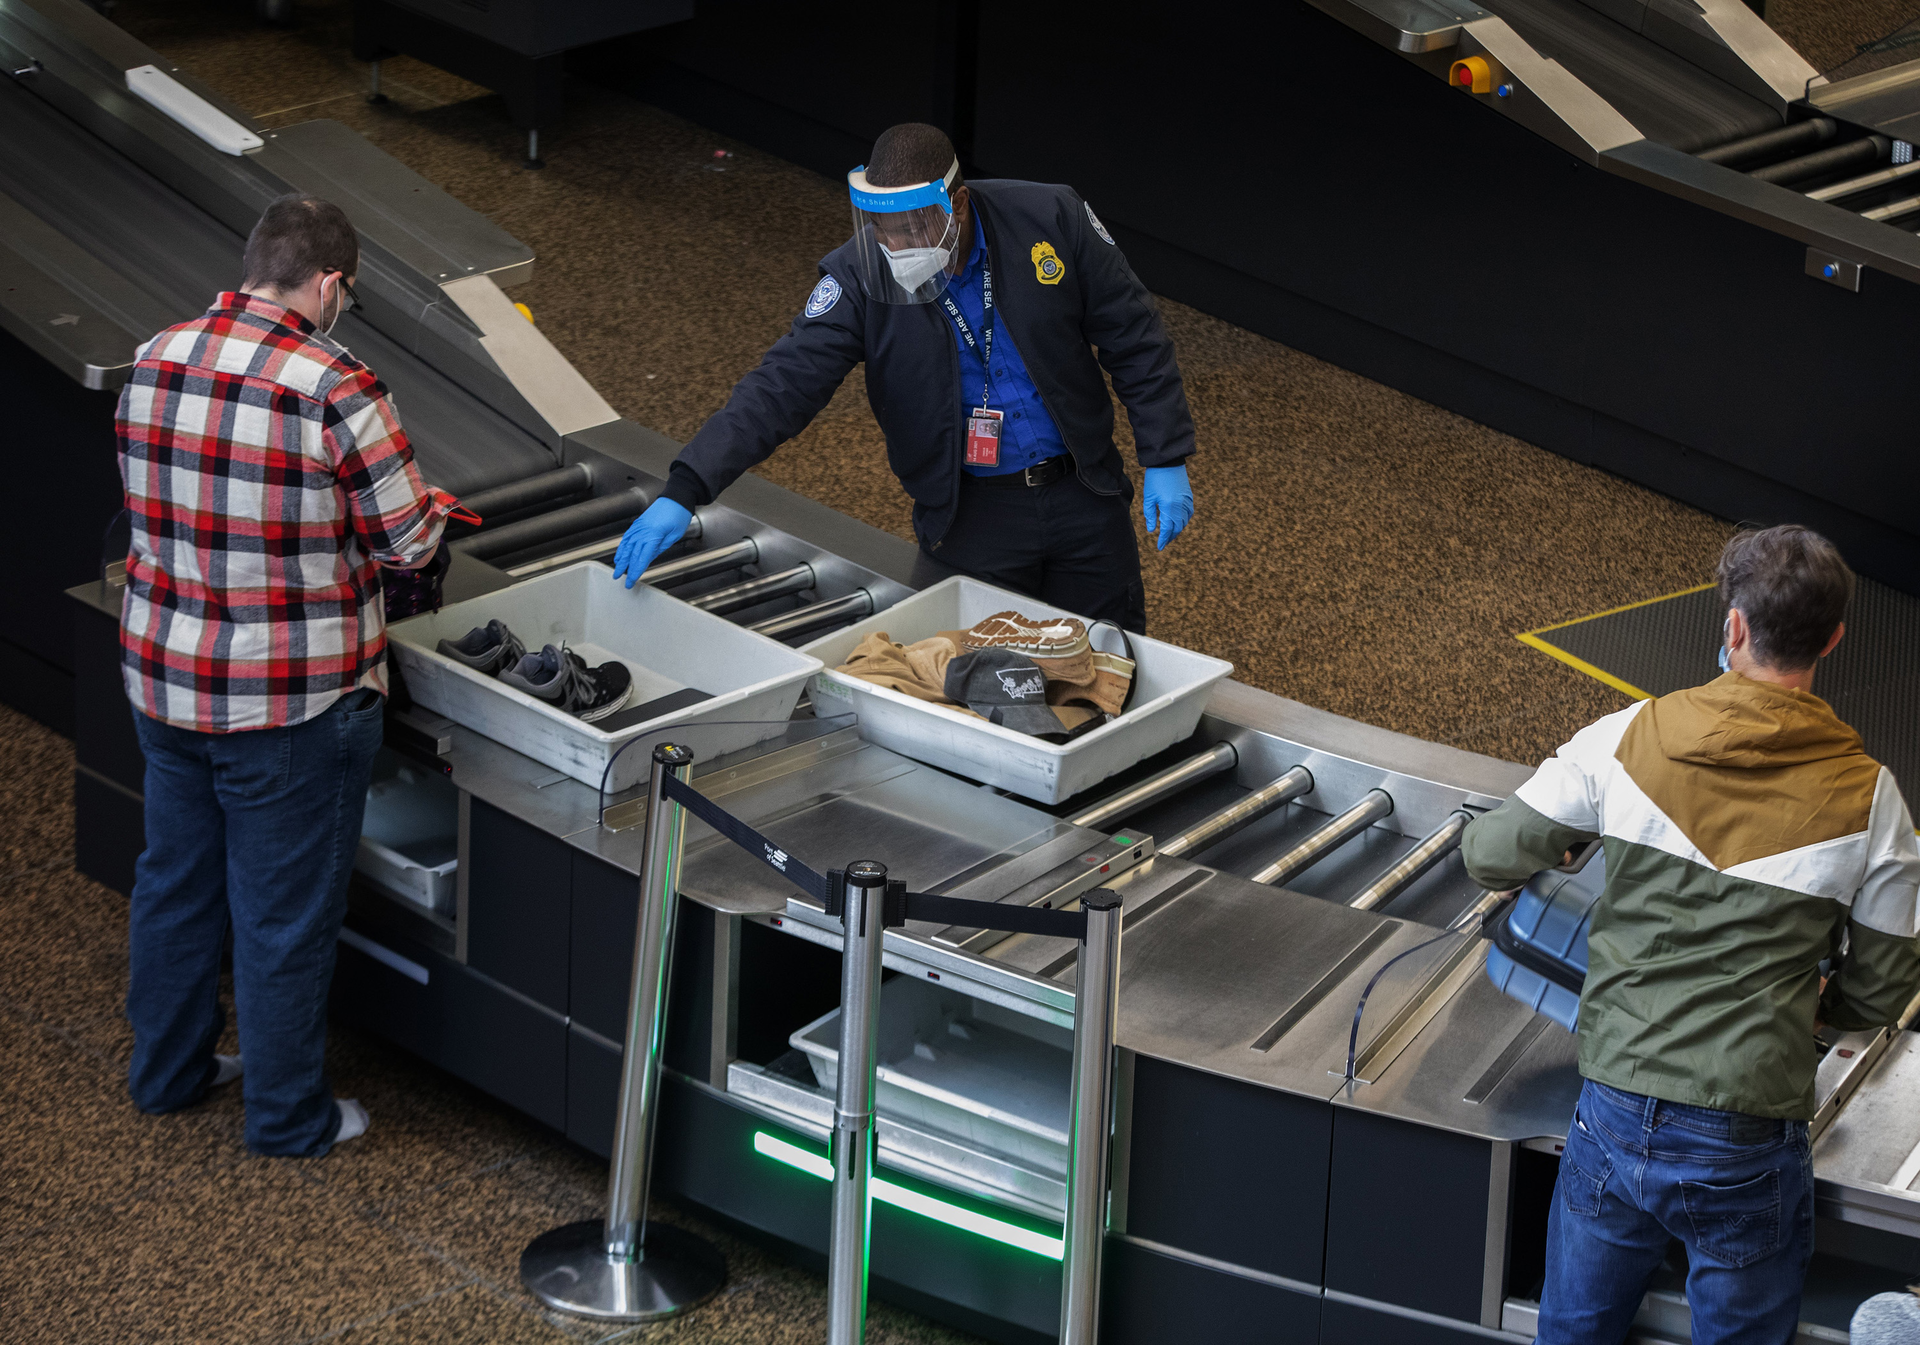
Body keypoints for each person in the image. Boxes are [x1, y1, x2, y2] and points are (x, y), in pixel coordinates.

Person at [1462, 525, 1920, 1344]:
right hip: (1750, 1135)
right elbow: (1882, 989)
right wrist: (1815, 1011)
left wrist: (1575, 837)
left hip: (1614, 1105)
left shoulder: (1627, 739)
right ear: (1835, 638)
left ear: (1734, 626)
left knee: (1573, 1334)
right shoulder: (1873, 799)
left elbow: (1488, 852)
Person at [116, 193, 454, 1157]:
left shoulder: (155, 353)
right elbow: (408, 542)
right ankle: (288, 1117)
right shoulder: (335, 384)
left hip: (167, 678)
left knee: (174, 883)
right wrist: (427, 506)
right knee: (283, 914)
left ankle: (168, 1074)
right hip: (291, 701)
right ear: (332, 283)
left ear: (254, 262)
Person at [611, 122, 1196, 633]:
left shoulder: (1051, 217)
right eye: (882, 228)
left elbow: (1134, 335)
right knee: (989, 681)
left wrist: (1164, 455)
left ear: (957, 205)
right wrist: (686, 488)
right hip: (971, 513)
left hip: (1083, 493)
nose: (897, 245)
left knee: (1109, 661)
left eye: (915, 228)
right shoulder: (857, 275)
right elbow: (781, 386)